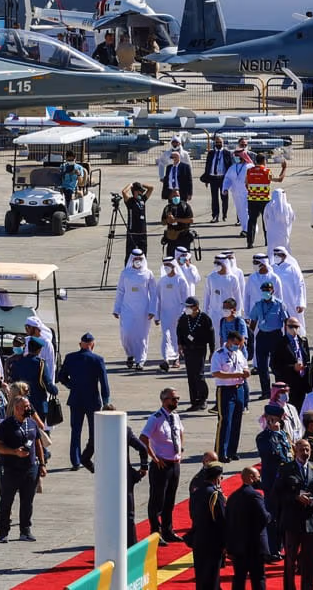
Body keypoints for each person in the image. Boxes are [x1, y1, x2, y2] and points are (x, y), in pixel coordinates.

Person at [0, 394, 48, 542]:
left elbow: (38, 444)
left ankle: (25, 530)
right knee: (7, 501)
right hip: (11, 469)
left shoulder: (32, 423)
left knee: (27, 501)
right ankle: (3, 533)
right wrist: (14, 452)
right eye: (25, 407)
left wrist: (42, 464)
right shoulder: (6, 425)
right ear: (16, 409)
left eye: (28, 406)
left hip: (30, 468)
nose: (28, 409)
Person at [276, 436, 313, 590]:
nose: (305, 452)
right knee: (290, 559)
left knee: (310, 560)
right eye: (302, 449)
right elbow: (276, 494)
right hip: (292, 521)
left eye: (307, 449)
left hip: (311, 521)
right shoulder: (285, 469)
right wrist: (295, 497)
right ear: (295, 451)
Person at [142, 387, 188, 543]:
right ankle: (155, 531)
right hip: (161, 465)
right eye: (173, 399)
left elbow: (180, 432)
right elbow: (143, 438)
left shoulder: (175, 416)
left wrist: (180, 450)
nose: (176, 402)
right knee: (157, 500)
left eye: (177, 399)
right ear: (164, 400)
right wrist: (154, 457)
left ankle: (168, 530)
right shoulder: (155, 418)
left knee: (170, 500)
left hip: (174, 463)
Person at [59, 331, 111, 469]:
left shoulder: (70, 358)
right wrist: (106, 401)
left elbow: (61, 377)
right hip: (93, 401)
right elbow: (104, 383)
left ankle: (75, 461)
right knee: (95, 432)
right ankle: (90, 458)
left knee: (75, 431)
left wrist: (71, 386)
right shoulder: (97, 359)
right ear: (92, 345)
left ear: (80, 344)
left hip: (75, 399)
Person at [227, 466, 272, 590]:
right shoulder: (255, 496)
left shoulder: (233, 497)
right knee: (258, 578)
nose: (259, 480)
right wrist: (270, 516)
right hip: (255, 547)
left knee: (239, 578)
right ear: (252, 478)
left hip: (238, 547)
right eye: (258, 477)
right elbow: (264, 517)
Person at [214, 331, 255, 461]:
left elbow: (245, 367)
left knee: (237, 421)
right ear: (230, 341)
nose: (237, 347)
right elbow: (216, 373)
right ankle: (221, 452)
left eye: (239, 345)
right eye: (236, 344)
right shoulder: (219, 354)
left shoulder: (239, 353)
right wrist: (236, 375)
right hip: (226, 390)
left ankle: (232, 451)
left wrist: (246, 372)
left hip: (239, 389)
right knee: (225, 421)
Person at [115, 248, 158, 370]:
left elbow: (154, 293)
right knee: (127, 334)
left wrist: (152, 310)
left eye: (140, 259)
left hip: (143, 310)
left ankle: (140, 360)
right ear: (132, 259)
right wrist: (116, 309)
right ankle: (130, 355)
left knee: (141, 336)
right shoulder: (125, 273)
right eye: (135, 259)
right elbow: (120, 291)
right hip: (127, 309)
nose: (138, 261)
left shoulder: (148, 274)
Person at [190, 462, 229, 590]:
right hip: (212, 542)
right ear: (217, 478)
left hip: (198, 539)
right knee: (212, 577)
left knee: (201, 576)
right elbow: (221, 521)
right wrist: (225, 544)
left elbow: (192, 514)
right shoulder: (215, 495)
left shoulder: (196, 493)